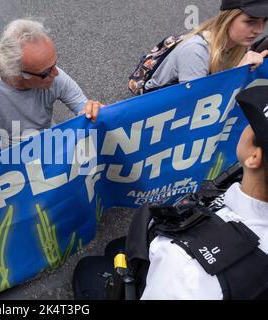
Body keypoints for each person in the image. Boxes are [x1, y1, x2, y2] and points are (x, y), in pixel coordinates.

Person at [73, 85, 268, 300]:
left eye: (252, 124)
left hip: (171, 271)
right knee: (118, 247)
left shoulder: (188, 269)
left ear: (254, 157)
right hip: (175, 243)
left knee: (87, 269)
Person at [0, 18, 103, 163]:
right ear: (17, 73)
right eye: (47, 72)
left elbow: (82, 106)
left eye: (55, 64)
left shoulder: (52, 75)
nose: (56, 74)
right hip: (12, 156)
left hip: (49, 143)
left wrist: (92, 110)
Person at [143, 0, 268, 92]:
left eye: (265, 20)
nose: (259, 30)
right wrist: (238, 72)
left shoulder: (238, 44)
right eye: (250, 21)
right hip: (154, 108)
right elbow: (195, 106)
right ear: (228, 19)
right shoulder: (196, 51)